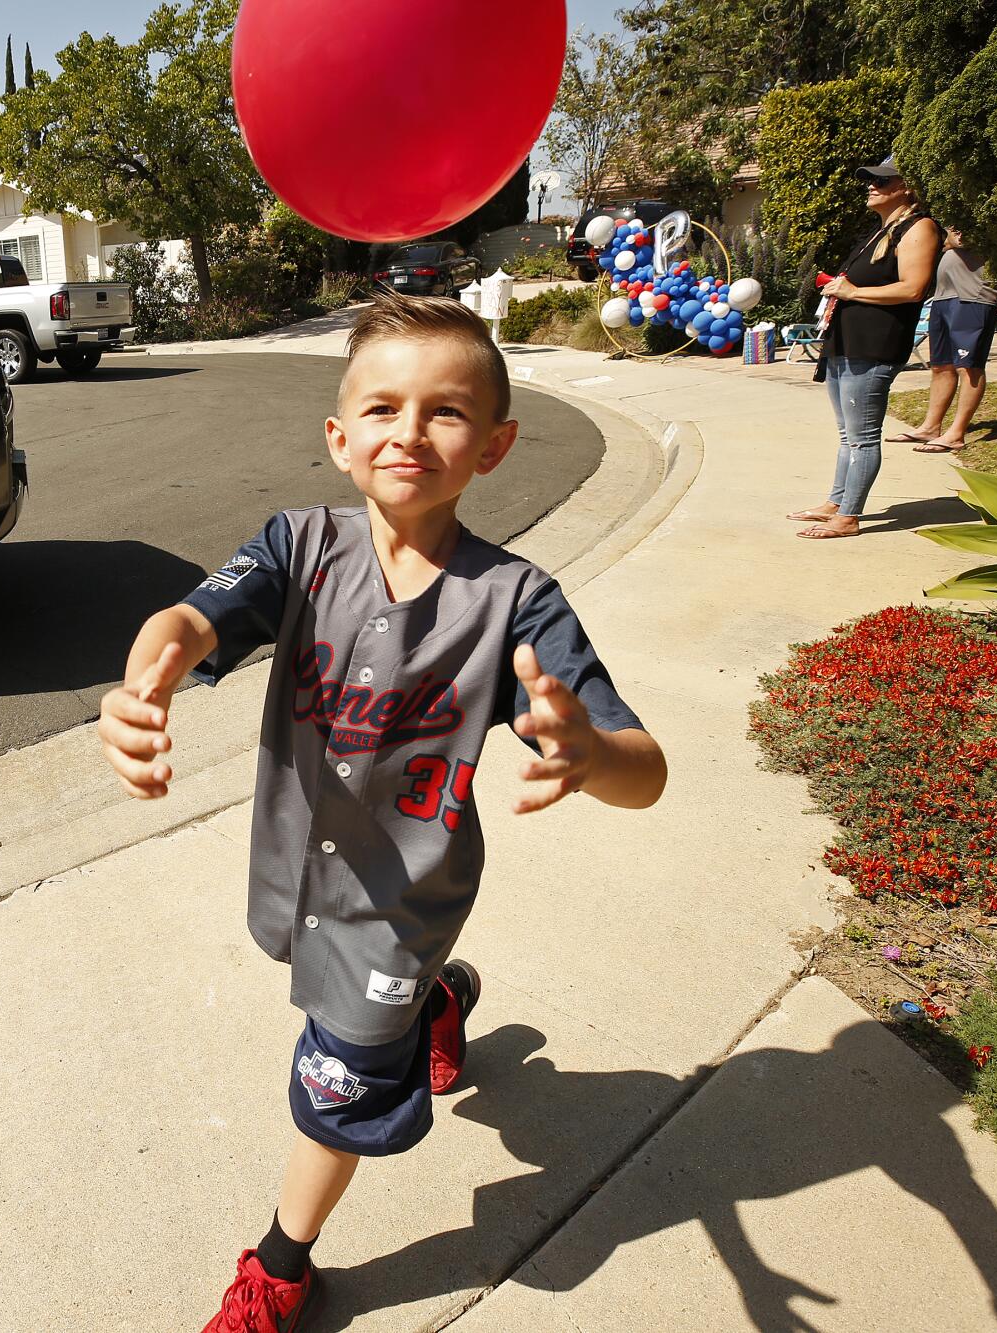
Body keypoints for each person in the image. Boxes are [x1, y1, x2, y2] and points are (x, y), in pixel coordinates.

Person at [96, 293, 669, 1332]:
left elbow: (645, 768)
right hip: (295, 875)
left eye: (444, 411)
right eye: (381, 408)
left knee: (333, 1082)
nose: (408, 431)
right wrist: (148, 680)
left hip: (400, 904)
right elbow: (188, 617)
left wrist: (585, 753)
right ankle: (437, 1005)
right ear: (339, 436)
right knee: (364, 1012)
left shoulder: (516, 604)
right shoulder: (296, 546)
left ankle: (280, 1263)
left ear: (492, 447)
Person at [787, 154, 942, 539]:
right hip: (846, 341)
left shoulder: (919, 228)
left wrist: (854, 291)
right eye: (871, 180)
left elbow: (913, 287)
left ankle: (848, 517)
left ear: (906, 188)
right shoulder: (882, 229)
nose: (873, 186)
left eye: (884, 181)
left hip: (874, 345)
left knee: (862, 436)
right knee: (847, 434)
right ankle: (836, 502)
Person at [887, 226, 997, 453]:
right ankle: (930, 427)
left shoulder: (979, 214)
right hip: (944, 296)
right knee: (941, 366)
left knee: (969, 367)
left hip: (974, 297)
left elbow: (960, 240)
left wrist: (947, 237)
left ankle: (956, 434)